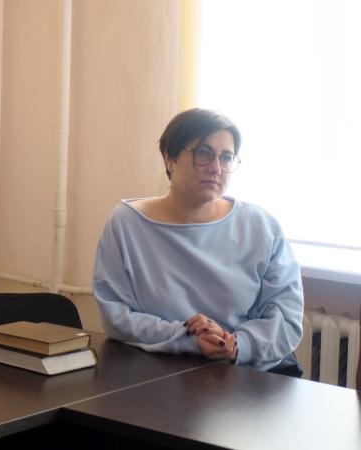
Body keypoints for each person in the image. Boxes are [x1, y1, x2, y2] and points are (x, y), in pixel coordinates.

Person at [92, 108, 304, 375]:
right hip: (159, 371)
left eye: (226, 157)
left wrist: (236, 344)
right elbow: (116, 316)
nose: (216, 168)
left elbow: (286, 316)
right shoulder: (126, 224)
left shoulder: (261, 226)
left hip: (248, 372)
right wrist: (189, 337)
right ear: (169, 158)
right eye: (203, 153)